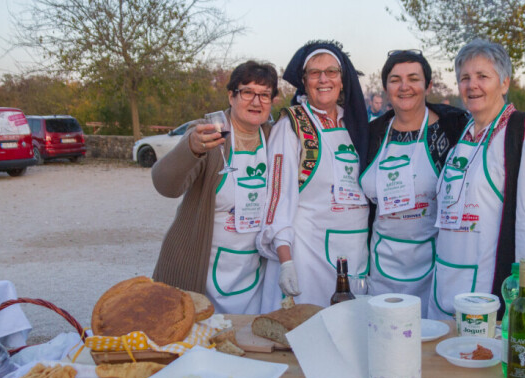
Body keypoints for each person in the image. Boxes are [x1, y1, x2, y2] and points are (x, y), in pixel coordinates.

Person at [428, 39, 525, 322]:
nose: (472, 85)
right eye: (465, 78)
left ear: (505, 83)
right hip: (449, 276)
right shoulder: (463, 134)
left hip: (490, 278)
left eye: (482, 76)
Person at [152, 60, 278, 315]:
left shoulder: (275, 137)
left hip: (252, 274)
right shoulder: (207, 133)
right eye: (248, 92)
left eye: (265, 95)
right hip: (202, 269)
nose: (256, 101)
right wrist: (191, 148)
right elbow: (165, 185)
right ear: (231, 96)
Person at [258, 41, 369, 311]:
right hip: (307, 254)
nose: (323, 79)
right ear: (304, 81)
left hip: (354, 253)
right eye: (314, 73)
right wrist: (286, 262)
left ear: (343, 81)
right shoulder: (291, 126)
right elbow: (277, 199)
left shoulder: (356, 124)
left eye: (331, 72)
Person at [361, 50, 469, 315]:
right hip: (381, 265)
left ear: (428, 85)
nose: (404, 86)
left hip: (433, 266)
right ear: (386, 88)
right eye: (395, 79)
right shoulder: (371, 135)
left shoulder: (452, 131)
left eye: (413, 78)